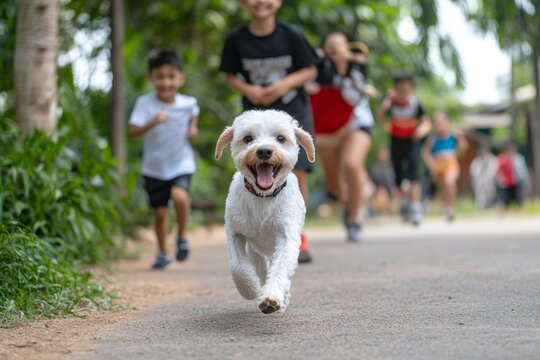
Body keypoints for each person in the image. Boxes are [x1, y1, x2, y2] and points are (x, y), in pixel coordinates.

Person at [219, 0, 319, 262]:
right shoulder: (236, 39)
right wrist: (248, 90)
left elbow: (310, 68)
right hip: (255, 114)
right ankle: (254, 227)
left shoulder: (292, 35)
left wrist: (283, 85)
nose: (260, 2)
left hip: (292, 109)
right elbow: (230, 76)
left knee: (297, 171)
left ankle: (297, 233)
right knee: (255, 167)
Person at [129, 50, 199, 269]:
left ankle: (182, 236)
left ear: (181, 78)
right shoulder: (144, 104)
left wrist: (192, 128)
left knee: (179, 196)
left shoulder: (188, 103)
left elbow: (194, 112)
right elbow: (133, 132)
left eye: (171, 76)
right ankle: (161, 252)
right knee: (159, 214)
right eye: (160, 76)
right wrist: (153, 122)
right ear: (150, 78)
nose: (165, 82)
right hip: (154, 168)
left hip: (181, 163)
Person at [307, 31, 377, 241]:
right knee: (335, 184)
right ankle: (351, 203)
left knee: (351, 165)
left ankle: (354, 220)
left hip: (356, 125)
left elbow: (357, 94)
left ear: (348, 48)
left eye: (339, 44)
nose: (335, 47)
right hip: (327, 131)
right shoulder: (315, 70)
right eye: (330, 44)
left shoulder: (358, 70)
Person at [376, 73, 431, 225]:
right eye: (399, 89)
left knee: (414, 174)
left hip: (412, 142)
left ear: (411, 89)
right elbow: (380, 119)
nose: (403, 93)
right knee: (399, 176)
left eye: (406, 89)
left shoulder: (415, 104)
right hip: (396, 142)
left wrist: (420, 131)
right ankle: (405, 204)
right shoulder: (391, 104)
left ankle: (415, 208)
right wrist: (386, 102)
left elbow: (426, 123)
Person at [422, 111, 467, 221]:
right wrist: (430, 163)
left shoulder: (453, 137)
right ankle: (446, 207)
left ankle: (451, 206)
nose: (440, 125)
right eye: (437, 123)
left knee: (449, 182)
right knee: (443, 187)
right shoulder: (433, 139)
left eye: (442, 122)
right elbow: (425, 152)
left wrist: (461, 140)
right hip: (438, 165)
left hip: (451, 163)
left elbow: (463, 147)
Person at [496, 142, 528, 210]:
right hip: (508, 183)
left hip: (518, 181)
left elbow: (523, 170)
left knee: (519, 198)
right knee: (505, 199)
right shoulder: (505, 158)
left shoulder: (519, 158)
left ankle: (519, 212)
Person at [369, 147, 397, 216]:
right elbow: (371, 180)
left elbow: (393, 181)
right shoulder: (373, 167)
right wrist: (378, 189)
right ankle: (373, 211)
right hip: (377, 190)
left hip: (390, 190)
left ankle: (393, 210)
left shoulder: (392, 166)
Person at [470, 143, 498, 209]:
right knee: (480, 195)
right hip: (479, 182)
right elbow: (473, 172)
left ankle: (491, 206)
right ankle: (480, 207)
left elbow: (495, 171)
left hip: (491, 181)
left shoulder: (493, 159)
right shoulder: (476, 161)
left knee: (491, 194)